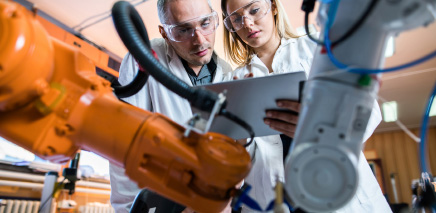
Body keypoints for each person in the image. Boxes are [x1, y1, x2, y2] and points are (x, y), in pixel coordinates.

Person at [221, 0, 392, 212]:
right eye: (236, 19)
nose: (247, 23)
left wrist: (320, 126)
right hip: (276, 201)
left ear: (273, 7)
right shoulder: (233, 81)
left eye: (254, 10)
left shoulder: (317, 49)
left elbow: (369, 111)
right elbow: (238, 159)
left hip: (339, 190)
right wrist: (240, 137)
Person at [109, 0, 232, 212]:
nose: (200, 40)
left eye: (205, 23)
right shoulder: (144, 57)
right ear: (164, 33)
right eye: (184, 30)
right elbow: (123, 140)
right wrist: (129, 208)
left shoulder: (226, 71)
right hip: (159, 202)